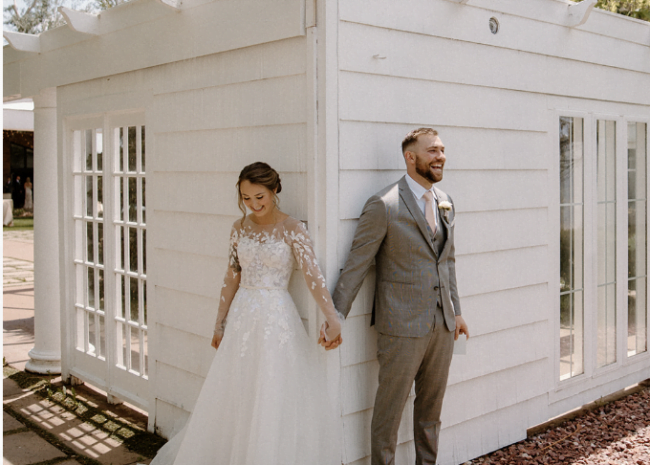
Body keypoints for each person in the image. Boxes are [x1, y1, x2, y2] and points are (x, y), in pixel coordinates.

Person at [149, 162, 342, 465]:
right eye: (246, 198)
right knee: (236, 390)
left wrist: (332, 319)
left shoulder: (292, 228)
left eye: (259, 197)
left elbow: (312, 276)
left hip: (276, 319)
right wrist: (219, 323)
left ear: (275, 190)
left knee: (272, 390)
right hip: (242, 317)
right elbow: (232, 276)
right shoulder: (239, 228)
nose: (253, 205)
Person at [328, 128, 469, 465]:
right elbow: (357, 264)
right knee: (389, 414)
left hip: (443, 325)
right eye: (432, 150)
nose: (440, 157)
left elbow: (446, 262)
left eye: (442, 150)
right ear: (411, 157)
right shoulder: (384, 204)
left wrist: (457, 312)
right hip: (401, 326)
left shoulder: (444, 201)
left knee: (430, 413)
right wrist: (336, 315)